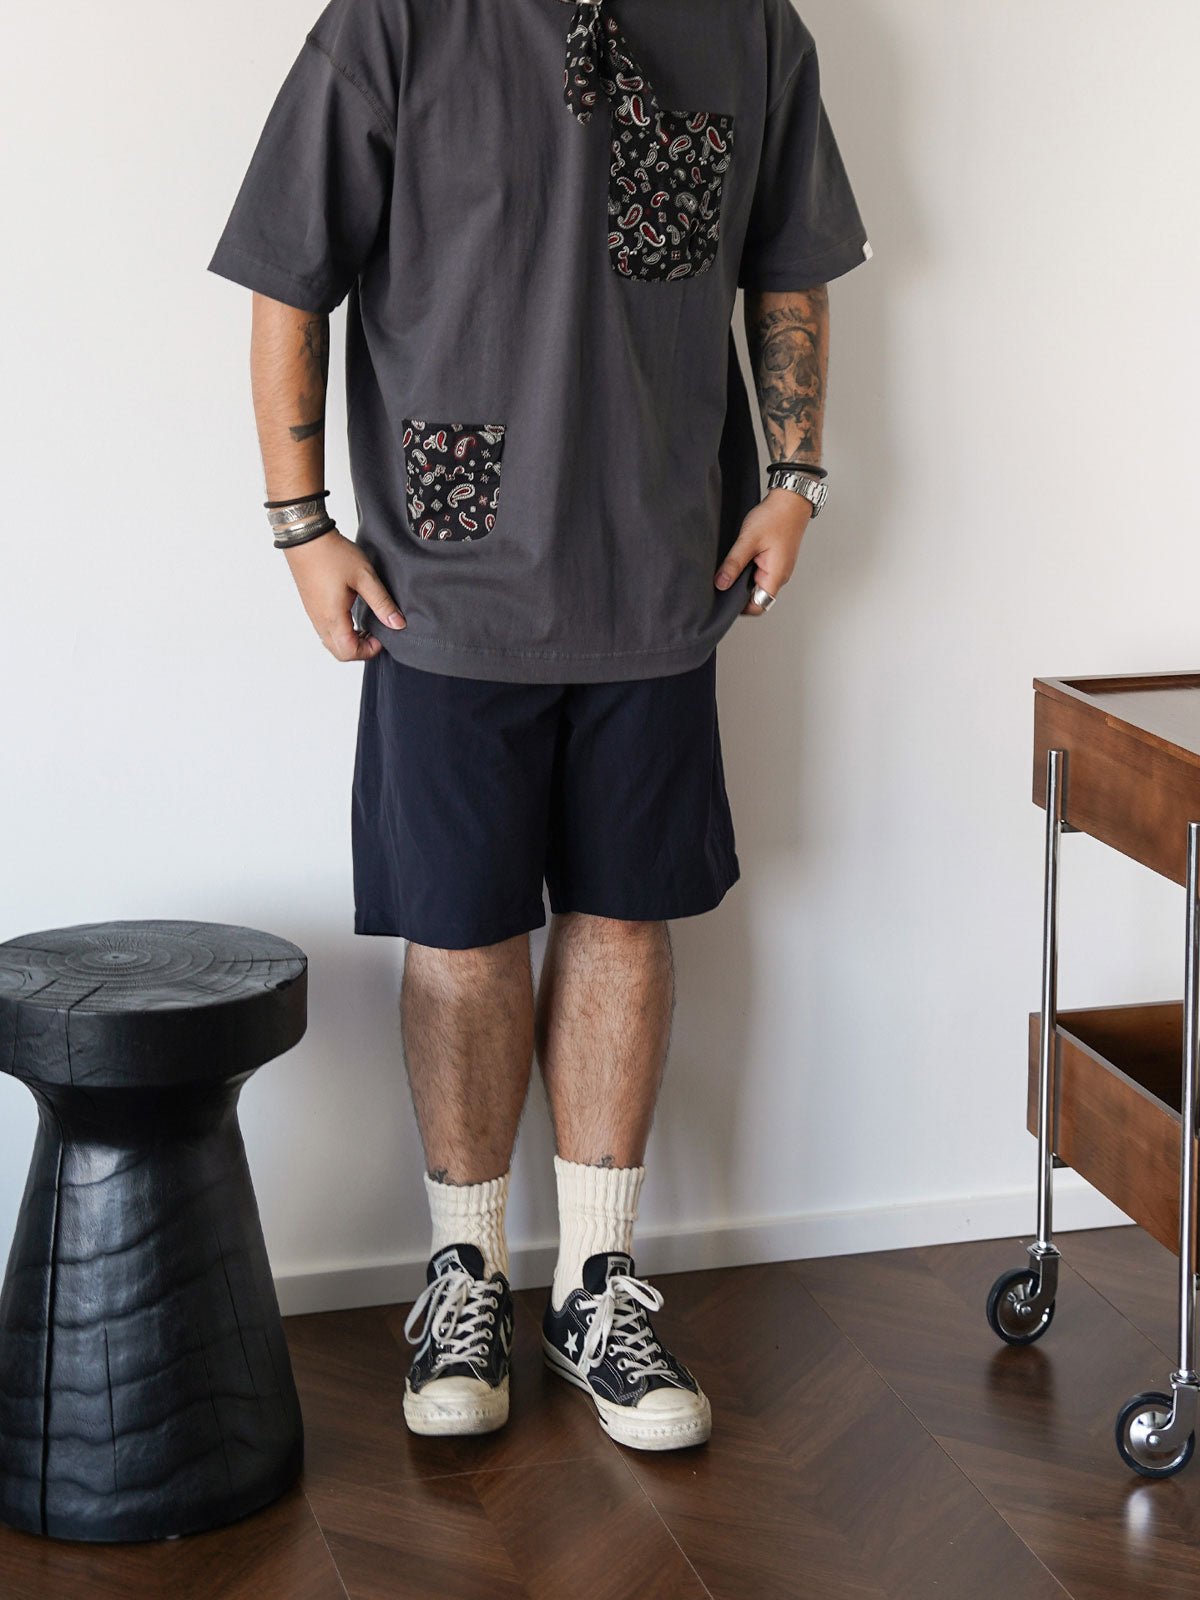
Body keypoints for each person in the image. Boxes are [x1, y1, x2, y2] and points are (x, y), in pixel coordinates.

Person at [209, 0, 870, 1451]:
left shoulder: (749, 25)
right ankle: (462, 1274)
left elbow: (789, 260)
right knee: (461, 933)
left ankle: (597, 1284)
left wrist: (797, 475)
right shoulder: (395, 21)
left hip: (663, 571)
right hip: (443, 585)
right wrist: (300, 527)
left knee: (628, 917)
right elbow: (288, 272)